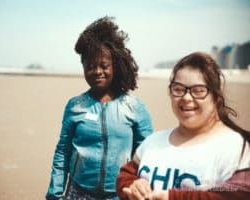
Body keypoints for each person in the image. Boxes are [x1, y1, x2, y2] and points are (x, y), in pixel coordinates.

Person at [45, 16, 153, 200]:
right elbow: (62, 152)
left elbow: (147, 155)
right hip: (78, 193)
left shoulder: (134, 107)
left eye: (104, 65)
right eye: (90, 66)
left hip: (120, 194)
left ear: (116, 66)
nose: (97, 71)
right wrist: (54, 194)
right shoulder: (75, 106)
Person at [116, 52, 250, 200]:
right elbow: (125, 175)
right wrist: (134, 184)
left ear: (216, 98)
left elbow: (238, 193)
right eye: (179, 89)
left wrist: (172, 197)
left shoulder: (236, 147)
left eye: (198, 91)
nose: (186, 97)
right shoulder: (153, 142)